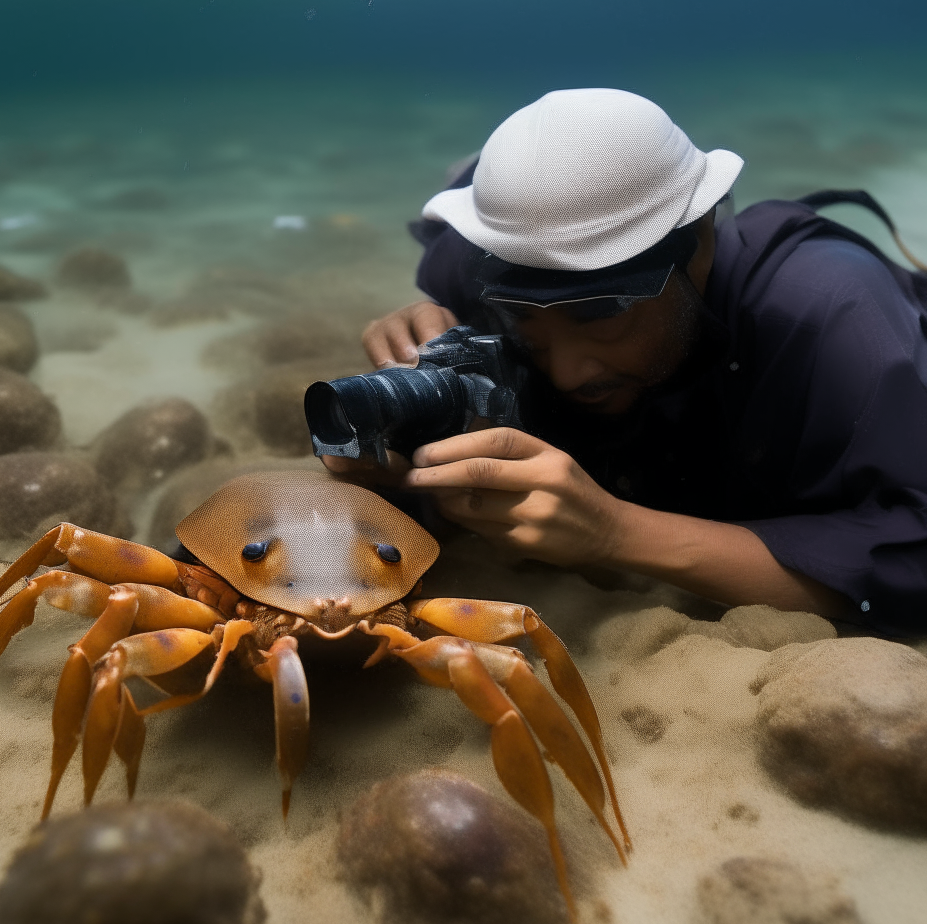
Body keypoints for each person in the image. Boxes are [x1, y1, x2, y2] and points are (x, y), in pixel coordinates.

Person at [331, 89, 927, 634]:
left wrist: (616, 533)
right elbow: (451, 259)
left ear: (702, 244)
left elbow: (914, 555)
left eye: (599, 316)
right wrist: (427, 339)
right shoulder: (470, 264)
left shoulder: (831, 311)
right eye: (524, 320)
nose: (566, 373)